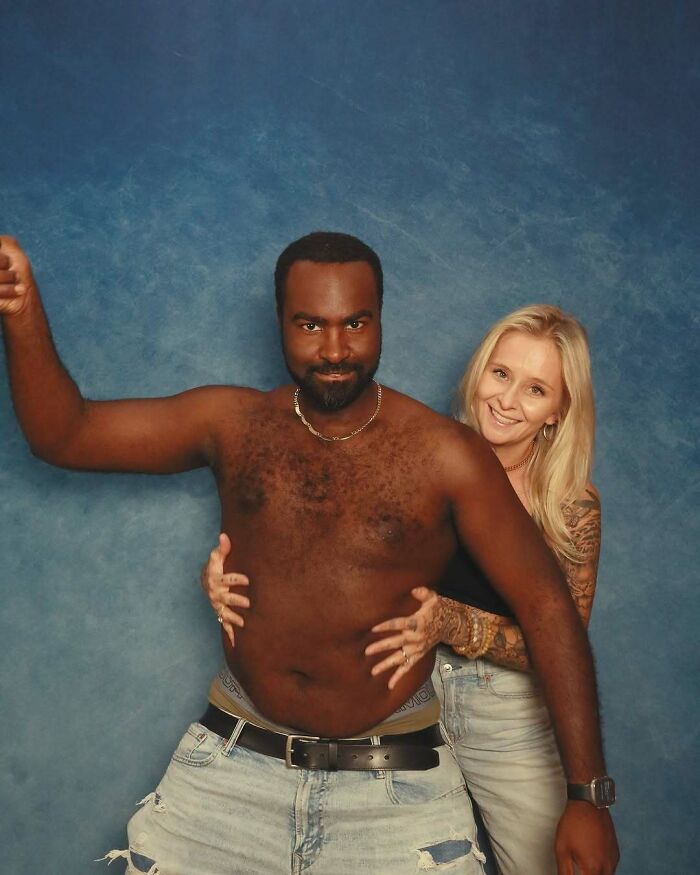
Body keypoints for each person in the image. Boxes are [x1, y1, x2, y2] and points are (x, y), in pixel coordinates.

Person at [0, 232, 618, 875]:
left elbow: (549, 608)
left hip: (394, 787)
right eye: (309, 324)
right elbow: (66, 433)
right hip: (232, 769)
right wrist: (21, 314)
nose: (333, 349)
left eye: (355, 323)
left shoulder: (445, 454)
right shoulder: (233, 423)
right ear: (279, 325)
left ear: (380, 320)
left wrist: (587, 796)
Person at [204, 304, 606, 875]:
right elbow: (327, 555)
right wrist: (230, 575)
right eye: (501, 373)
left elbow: (565, 638)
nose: (507, 399)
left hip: (505, 713)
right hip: (403, 703)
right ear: (479, 371)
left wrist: (453, 623)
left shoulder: (571, 505)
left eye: (536, 389)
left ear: (557, 412)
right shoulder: (418, 452)